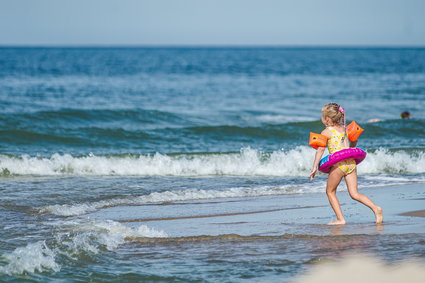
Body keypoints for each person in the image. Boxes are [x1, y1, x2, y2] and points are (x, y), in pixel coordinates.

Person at [309, 103, 383, 225]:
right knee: (354, 193)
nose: (322, 119)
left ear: (327, 118)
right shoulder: (345, 129)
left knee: (330, 192)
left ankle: (340, 219)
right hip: (351, 164)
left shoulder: (327, 132)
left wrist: (314, 167)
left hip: (338, 165)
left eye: (322, 117)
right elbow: (353, 145)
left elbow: (320, 150)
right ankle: (376, 208)